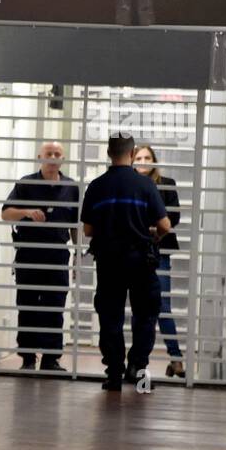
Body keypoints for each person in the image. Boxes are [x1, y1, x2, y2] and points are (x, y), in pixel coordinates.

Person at [80, 133, 172, 391]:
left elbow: (88, 230)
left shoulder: (96, 186)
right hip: (141, 261)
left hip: (109, 262)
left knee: (110, 317)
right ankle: (137, 369)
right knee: (145, 316)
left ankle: (113, 374)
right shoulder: (145, 185)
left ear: (109, 153)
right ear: (131, 154)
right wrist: (154, 236)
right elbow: (165, 225)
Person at [1, 141, 80, 372]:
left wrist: (77, 254)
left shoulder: (71, 188)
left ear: (62, 159)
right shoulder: (26, 184)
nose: (53, 157)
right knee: (27, 306)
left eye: (57, 153)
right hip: (29, 254)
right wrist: (26, 212)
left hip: (57, 256)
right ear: (40, 157)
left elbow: (75, 224)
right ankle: (27, 358)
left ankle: (50, 359)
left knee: (54, 307)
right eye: (49, 153)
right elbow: (6, 213)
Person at [132, 145, 185, 377]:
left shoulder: (167, 183)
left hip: (160, 251)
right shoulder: (129, 184)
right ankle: (137, 362)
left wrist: (154, 229)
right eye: (139, 158)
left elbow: (174, 216)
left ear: (154, 160)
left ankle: (176, 359)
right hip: (134, 252)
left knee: (162, 306)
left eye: (147, 157)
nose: (143, 161)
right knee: (138, 307)